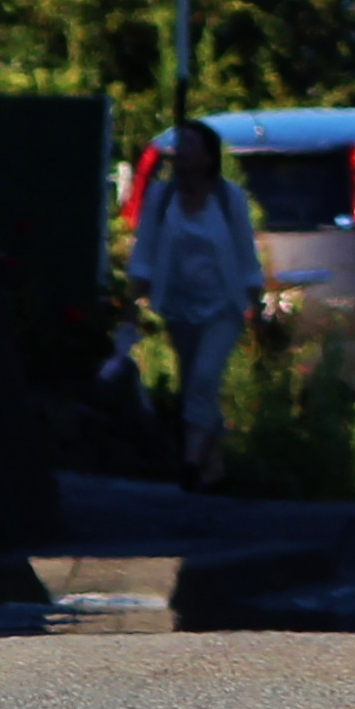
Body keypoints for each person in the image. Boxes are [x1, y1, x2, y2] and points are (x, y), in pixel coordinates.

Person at [128, 122, 264, 490]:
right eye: (179, 144)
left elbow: (244, 250)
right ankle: (212, 466)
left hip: (224, 306)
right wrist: (136, 288)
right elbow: (146, 246)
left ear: (207, 157)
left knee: (204, 376)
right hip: (179, 305)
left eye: (190, 144)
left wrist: (255, 297)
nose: (181, 151)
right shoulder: (161, 197)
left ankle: (188, 463)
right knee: (193, 384)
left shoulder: (227, 198)